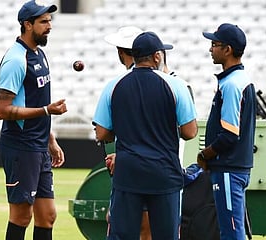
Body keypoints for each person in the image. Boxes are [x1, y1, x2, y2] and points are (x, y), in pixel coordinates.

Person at [94, 31, 198, 239]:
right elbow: (189, 132)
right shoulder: (175, 84)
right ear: (157, 56)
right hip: (164, 173)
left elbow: (102, 132)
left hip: (128, 172)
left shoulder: (114, 85)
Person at [0, 1, 67, 240]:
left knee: (47, 216)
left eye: (49, 21)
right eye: (43, 22)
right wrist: (47, 110)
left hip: (38, 145)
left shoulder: (39, 54)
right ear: (27, 25)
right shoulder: (16, 60)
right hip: (21, 146)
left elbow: (35, 99)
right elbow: (2, 110)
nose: (49, 26)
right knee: (21, 216)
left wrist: (50, 138)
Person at [93, 26, 153, 240]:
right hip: (162, 167)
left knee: (118, 223)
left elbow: (101, 133)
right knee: (151, 227)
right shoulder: (169, 82)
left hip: (127, 164)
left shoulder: (115, 85)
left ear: (121, 52)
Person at [199, 23, 256, 240]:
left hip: (228, 168)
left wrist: (205, 154)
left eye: (215, 44)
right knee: (232, 229)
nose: (210, 49)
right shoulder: (238, 80)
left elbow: (230, 134)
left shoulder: (232, 85)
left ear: (228, 50)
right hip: (234, 168)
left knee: (232, 232)